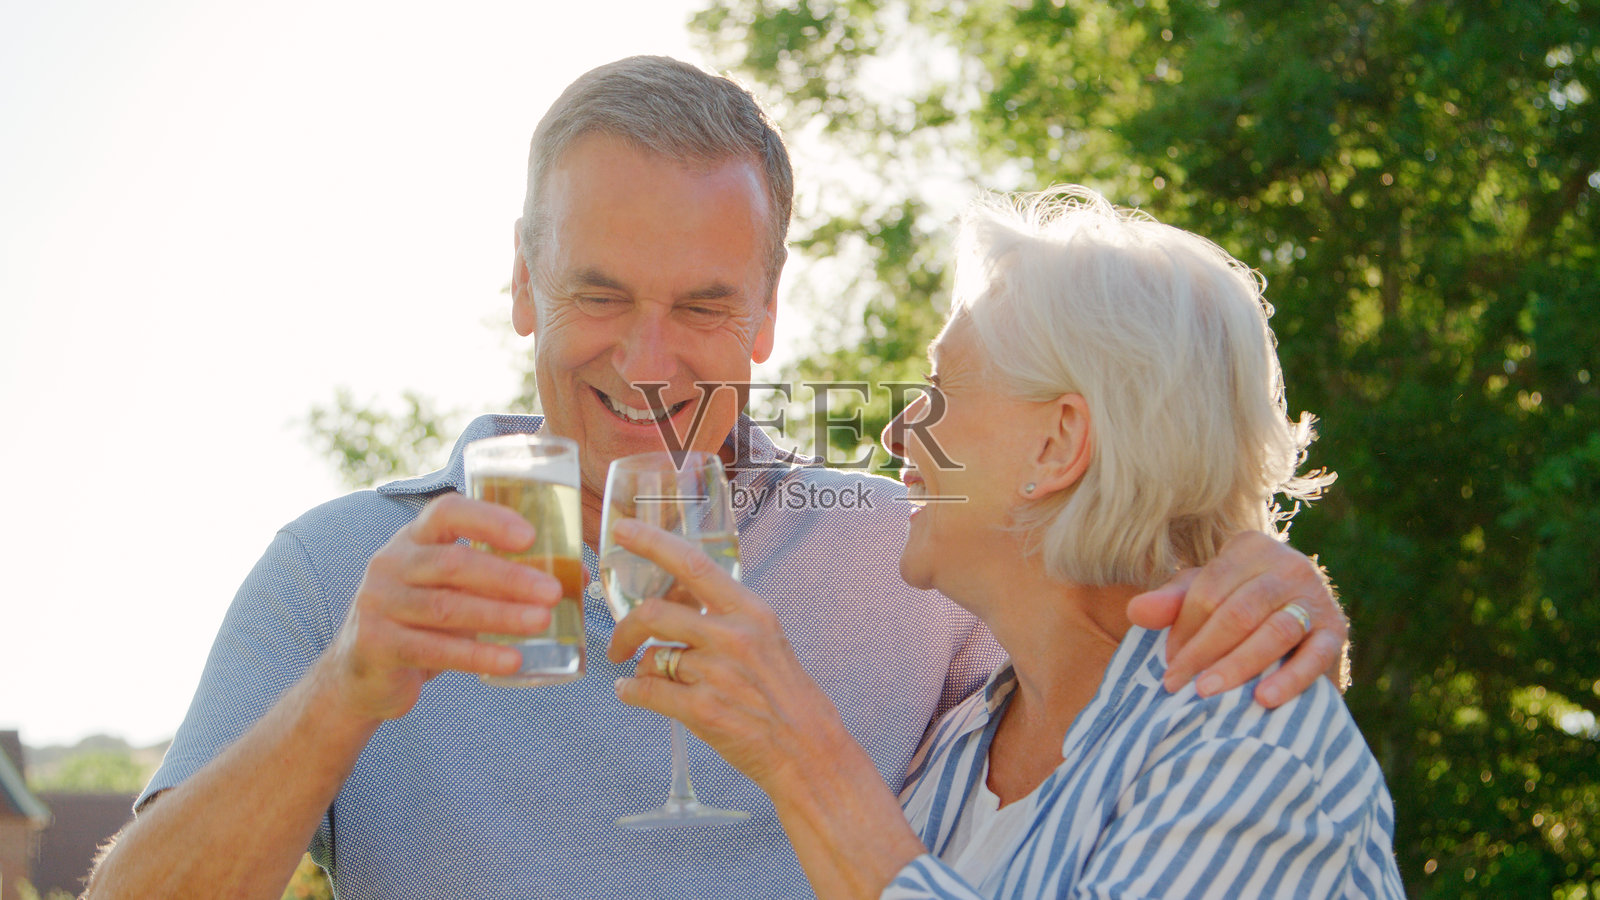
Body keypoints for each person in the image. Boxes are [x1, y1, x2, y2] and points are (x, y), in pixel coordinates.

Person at [85, 59, 1348, 899]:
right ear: (523, 284)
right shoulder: (334, 574)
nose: (647, 362)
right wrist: (341, 696)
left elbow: (1113, 660)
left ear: (766, 313)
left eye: (701, 306)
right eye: (597, 295)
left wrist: (1245, 567)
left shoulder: (904, 550)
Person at [608, 187, 1404, 897]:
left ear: (1057, 444)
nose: (896, 432)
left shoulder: (1250, 756)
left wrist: (803, 754)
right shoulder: (964, 743)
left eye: (940, 391)